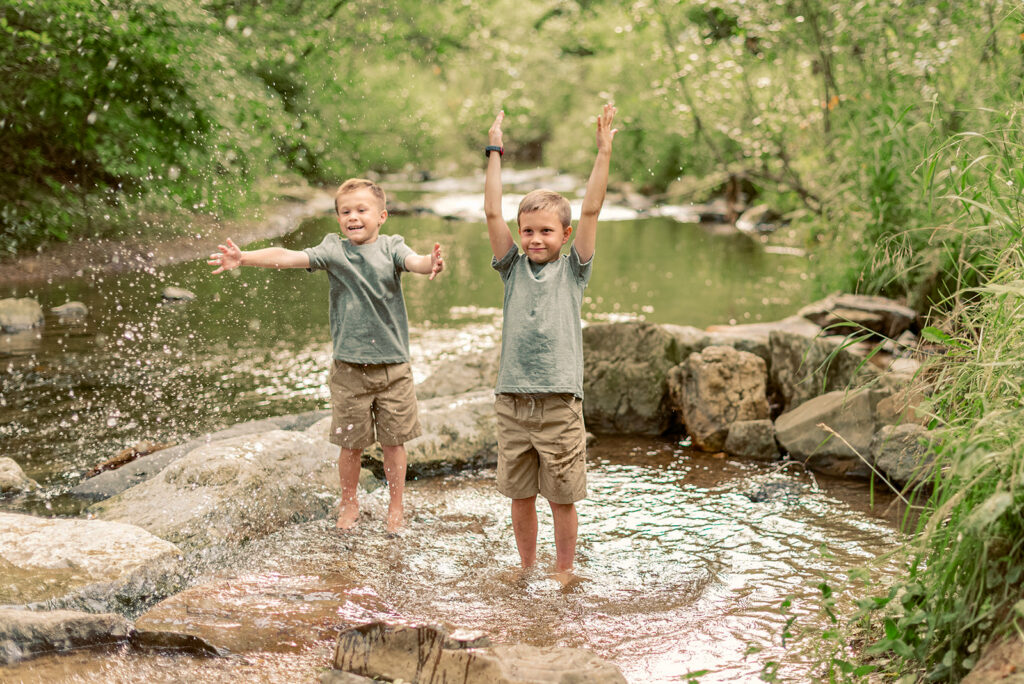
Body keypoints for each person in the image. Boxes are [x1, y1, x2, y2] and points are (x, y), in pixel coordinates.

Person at [209, 178, 444, 534]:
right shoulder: (334, 250)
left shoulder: (392, 247)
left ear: (381, 216)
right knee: (350, 445)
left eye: (361, 210)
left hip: (394, 368)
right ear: (338, 219)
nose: (353, 217)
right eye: (345, 211)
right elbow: (287, 257)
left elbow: (416, 262)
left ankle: (396, 507)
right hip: (349, 369)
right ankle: (349, 503)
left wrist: (432, 263)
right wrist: (244, 257)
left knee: (394, 443)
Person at [483, 104, 617, 576]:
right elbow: (491, 210)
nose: (535, 239)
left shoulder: (573, 270)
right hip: (513, 402)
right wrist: (495, 149)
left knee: (562, 498)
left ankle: (563, 571)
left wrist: (603, 152)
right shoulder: (512, 268)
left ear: (564, 234)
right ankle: (525, 567)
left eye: (546, 231)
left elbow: (593, 208)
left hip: (559, 403)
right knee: (519, 497)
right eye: (528, 231)